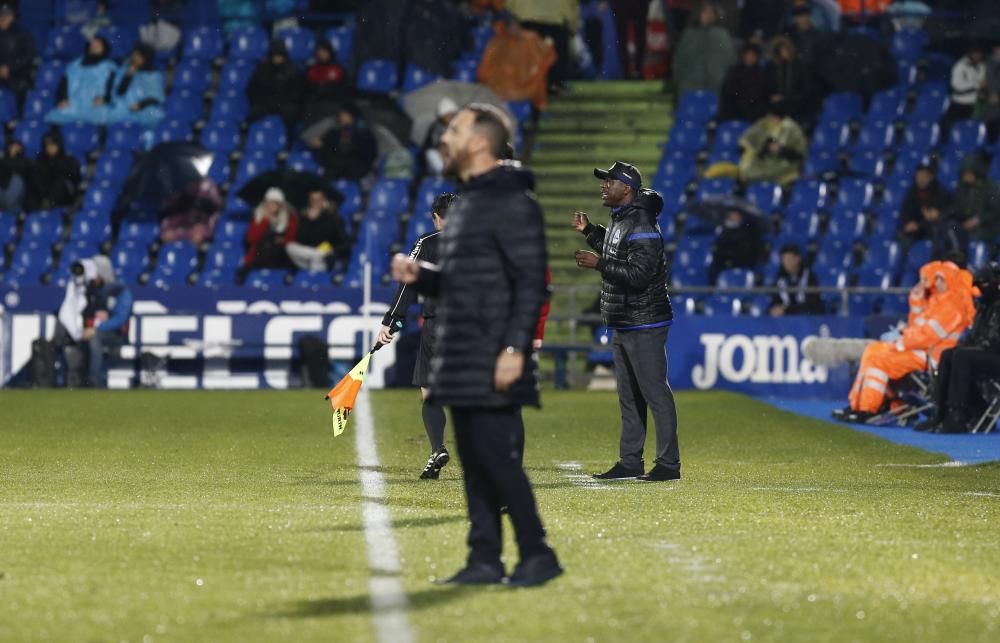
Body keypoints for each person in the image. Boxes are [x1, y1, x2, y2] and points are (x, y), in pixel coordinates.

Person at [390, 104, 561, 587]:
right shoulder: (474, 202)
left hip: (492, 351)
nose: (445, 138)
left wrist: (514, 348)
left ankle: (537, 554)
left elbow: (530, 282)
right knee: (474, 461)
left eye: (457, 131)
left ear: (480, 144)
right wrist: (421, 276)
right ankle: (484, 557)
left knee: (498, 460)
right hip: (463, 351)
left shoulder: (511, 201)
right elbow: (470, 280)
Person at [571, 161, 681, 482]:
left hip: (644, 321)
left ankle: (668, 465)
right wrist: (591, 232)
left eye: (610, 181)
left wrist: (599, 264)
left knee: (655, 394)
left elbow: (638, 275)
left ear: (627, 189)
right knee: (629, 397)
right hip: (625, 320)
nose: (604, 185)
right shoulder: (623, 218)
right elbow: (617, 249)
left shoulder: (643, 223)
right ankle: (630, 461)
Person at [835, 260, 976, 423]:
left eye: (939, 279)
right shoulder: (940, 300)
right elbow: (917, 326)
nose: (935, 283)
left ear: (949, 279)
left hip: (933, 357)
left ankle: (868, 408)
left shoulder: (953, 304)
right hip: (922, 351)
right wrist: (915, 302)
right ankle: (858, 405)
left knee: (878, 361)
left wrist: (901, 342)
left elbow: (928, 336)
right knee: (873, 350)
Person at [378, 193, 458, 479]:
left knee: (431, 392)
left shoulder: (428, 243)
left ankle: (438, 447)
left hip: (440, 325)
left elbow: (407, 285)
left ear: (437, 217)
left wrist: (392, 320)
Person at [916, 262, 1000, 434]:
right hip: (987, 353)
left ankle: (957, 416)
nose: (981, 289)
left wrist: (975, 347)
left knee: (962, 356)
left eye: (983, 284)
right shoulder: (985, 305)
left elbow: (994, 340)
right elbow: (976, 335)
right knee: (948, 354)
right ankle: (941, 413)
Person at [477, 17, 557, 110]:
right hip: (502, 85)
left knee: (539, 77)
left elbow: (548, 55)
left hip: (525, 83)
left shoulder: (531, 39)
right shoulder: (496, 43)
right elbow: (484, 70)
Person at [505, 0, 577, 92]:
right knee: (557, 54)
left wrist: (511, 17)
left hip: (528, 16)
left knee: (529, 55)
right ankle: (555, 83)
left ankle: (527, 83)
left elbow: (510, 4)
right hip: (555, 18)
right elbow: (571, 4)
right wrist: (573, 25)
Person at [46, 36, 116, 125]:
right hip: (74, 105)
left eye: (98, 45)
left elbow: (115, 88)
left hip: (97, 105)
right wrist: (62, 99)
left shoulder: (110, 67)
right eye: (92, 44)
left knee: (105, 117)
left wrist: (106, 99)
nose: (94, 46)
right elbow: (63, 86)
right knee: (56, 116)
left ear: (104, 48)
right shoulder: (74, 66)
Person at [671, 2, 737, 97]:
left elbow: (730, 61)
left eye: (710, 13)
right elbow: (679, 60)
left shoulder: (722, 35)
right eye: (705, 13)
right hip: (689, 86)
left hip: (716, 88)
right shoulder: (689, 35)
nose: (707, 16)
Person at [738, 100, 807, 185]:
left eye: (774, 116)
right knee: (746, 173)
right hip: (762, 165)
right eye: (769, 115)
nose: (770, 118)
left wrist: (781, 150)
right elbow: (745, 140)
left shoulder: (793, 129)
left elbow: (799, 155)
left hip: (784, 167)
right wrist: (755, 149)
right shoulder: (762, 124)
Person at [95, 43, 165, 127]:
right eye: (134, 55)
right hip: (123, 109)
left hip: (146, 111)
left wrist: (141, 104)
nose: (135, 59)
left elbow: (156, 97)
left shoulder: (153, 75)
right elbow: (119, 93)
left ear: (146, 59)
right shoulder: (123, 70)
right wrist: (128, 76)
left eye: (139, 56)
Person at [247, 39, 306, 133]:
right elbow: (252, 89)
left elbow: (298, 92)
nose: (277, 58)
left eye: (280, 55)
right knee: (253, 114)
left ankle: (288, 142)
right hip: (266, 102)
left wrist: (285, 101)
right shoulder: (262, 69)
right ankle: (254, 139)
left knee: (291, 113)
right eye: (275, 55)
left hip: (285, 103)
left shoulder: (293, 70)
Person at [285, 188, 350, 272]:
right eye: (313, 200)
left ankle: (317, 259)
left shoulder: (334, 218)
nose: (316, 202)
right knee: (289, 246)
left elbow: (344, 243)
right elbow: (301, 239)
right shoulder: (304, 218)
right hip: (308, 255)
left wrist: (333, 251)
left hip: (326, 257)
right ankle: (317, 256)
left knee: (318, 260)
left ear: (324, 200)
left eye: (319, 199)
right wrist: (309, 221)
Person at [239, 187, 298, 278]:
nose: (272, 206)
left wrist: (283, 240)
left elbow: (292, 238)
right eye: (270, 202)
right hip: (260, 254)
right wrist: (265, 221)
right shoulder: (258, 217)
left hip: (281, 254)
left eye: (276, 203)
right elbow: (251, 239)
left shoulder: (289, 218)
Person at [310, 107, 377, 180]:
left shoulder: (364, 133)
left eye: (345, 115)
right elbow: (326, 145)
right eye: (341, 115)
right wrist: (320, 145)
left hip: (354, 168)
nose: (341, 117)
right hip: (335, 166)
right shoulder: (335, 131)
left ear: (352, 116)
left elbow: (367, 154)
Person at [719, 43, 774, 123]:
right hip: (735, 111)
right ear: (743, 56)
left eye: (753, 55)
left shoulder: (762, 74)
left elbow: (765, 95)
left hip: (756, 113)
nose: (750, 58)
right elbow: (727, 93)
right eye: (748, 55)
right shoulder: (734, 72)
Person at [707, 208, 764, 284]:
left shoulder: (748, 232)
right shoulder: (722, 232)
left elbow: (750, 252)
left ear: (741, 217)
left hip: (743, 266)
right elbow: (718, 252)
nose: (734, 218)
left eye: (737, 216)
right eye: (732, 215)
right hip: (724, 267)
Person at [952, 155, 1000, 243]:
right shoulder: (962, 187)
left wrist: (977, 220)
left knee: (970, 238)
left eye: (968, 173)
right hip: (966, 224)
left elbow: (995, 211)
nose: (966, 176)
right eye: (964, 173)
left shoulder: (991, 187)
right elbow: (957, 208)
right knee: (949, 231)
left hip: (987, 226)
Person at [899, 164, 953, 243]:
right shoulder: (912, 192)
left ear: (930, 177)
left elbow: (948, 210)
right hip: (917, 228)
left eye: (923, 176)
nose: (920, 179)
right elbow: (906, 211)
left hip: (935, 226)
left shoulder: (940, 191)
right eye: (918, 176)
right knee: (904, 235)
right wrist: (909, 223)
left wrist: (936, 216)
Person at [768, 36, 815, 126]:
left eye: (785, 49)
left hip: (797, 106)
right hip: (777, 107)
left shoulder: (801, 66)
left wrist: (786, 98)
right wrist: (773, 97)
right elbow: (768, 88)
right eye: (780, 50)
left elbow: (807, 91)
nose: (783, 52)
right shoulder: (772, 67)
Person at [28, 131, 81, 210]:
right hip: (44, 195)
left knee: (61, 180)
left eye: (52, 145)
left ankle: (48, 203)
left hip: (65, 196)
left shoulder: (68, 160)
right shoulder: (40, 161)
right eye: (47, 145)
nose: (50, 148)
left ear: (59, 145)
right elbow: (37, 180)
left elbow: (74, 178)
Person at [769, 243, 824, 316]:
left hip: (807, 320)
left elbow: (812, 303)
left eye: (789, 259)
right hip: (786, 321)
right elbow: (776, 300)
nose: (786, 263)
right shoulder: (780, 278)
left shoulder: (809, 277)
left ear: (798, 258)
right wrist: (775, 308)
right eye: (784, 260)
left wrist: (787, 309)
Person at [0, 1, 36, 101]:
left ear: (12, 17)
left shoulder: (23, 34)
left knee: (20, 88)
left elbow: (29, 55)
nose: (3, 18)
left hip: (17, 76)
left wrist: (10, 68)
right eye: (1, 15)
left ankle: (17, 115)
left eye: (6, 15)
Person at [945, 45, 986, 126]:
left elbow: (983, 82)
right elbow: (957, 85)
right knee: (952, 125)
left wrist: (981, 87)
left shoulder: (982, 66)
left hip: (972, 103)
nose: (977, 56)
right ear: (970, 54)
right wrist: (977, 85)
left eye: (979, 54)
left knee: (967, 126)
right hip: (958, 102)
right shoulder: (960, 65)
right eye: (975, 54)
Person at [423, 98, 459, 176]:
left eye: (452, 115)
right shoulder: (436, 127)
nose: (450, 117)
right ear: (442, 116)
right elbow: (434, 144)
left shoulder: (458, 124)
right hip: (436, 152)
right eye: (447, 115)